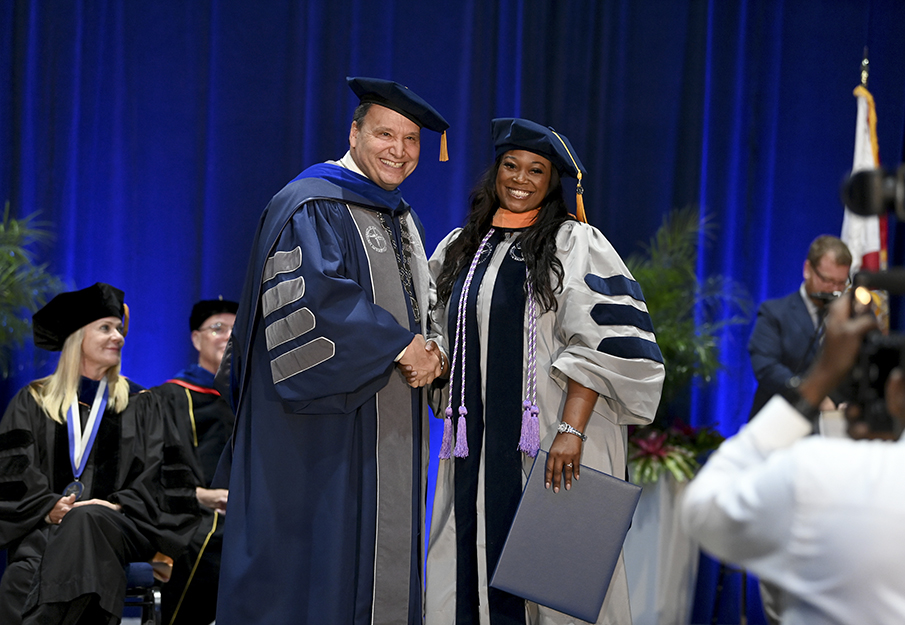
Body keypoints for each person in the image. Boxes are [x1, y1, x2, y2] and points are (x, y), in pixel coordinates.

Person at [216, 77, 449, 625]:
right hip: (319, 429)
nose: (399, 150)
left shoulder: (402, 216)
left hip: (387, 422)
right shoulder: (312, 202)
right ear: (355, 132)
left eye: (411, 139)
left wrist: (434, 349)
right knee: (315, 566)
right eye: (385, 134)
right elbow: (313, 304)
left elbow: (425, 301)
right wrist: (400, 346)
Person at [425, 118, 665, 625]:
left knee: (555, 586)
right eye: (511, 166)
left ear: (553, 181)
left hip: (554, 439)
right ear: (495, 173)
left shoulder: (575, 244)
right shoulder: (460, 248)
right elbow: (438, 333)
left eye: (537, 170)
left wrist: (572, 430)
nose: (521, 178)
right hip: (479, 448)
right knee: (470, 560)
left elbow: (605, 344)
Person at [680, 291, 905, 624]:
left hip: (797, 449)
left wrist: (816, 384)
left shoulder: (814, 472)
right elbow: (766, 366)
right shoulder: (774, 312)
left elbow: (702, 511)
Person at [0, 282, 199, 625]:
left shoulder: (142, 402)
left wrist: (117, 504)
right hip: (48, 527)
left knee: (86, 519)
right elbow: (11, 475)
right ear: (77, 338)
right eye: (105, 328)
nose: (119, 337)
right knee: (21, 575)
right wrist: (50, 506)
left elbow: (164, 478)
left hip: (120, 526)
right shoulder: (32, 402)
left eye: (119, 329)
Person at [154, 298, 237, 625]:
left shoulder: (257, 398)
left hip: (251, 510)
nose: (228, 337)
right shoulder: (171, 397)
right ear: (195, 338)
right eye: (218, 328)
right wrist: (201, 495)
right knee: (209, 540)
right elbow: (154, 470)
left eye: (235, 330)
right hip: (192, 511)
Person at [748, 235, 852, 418]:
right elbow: (766, 367)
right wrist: (812, 395)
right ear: (807, 270)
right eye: (827, 280)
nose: (834, 289)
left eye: (840, 283)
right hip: (779, 421)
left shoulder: (851, 319)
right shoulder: (774, 313)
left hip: (832, 427)